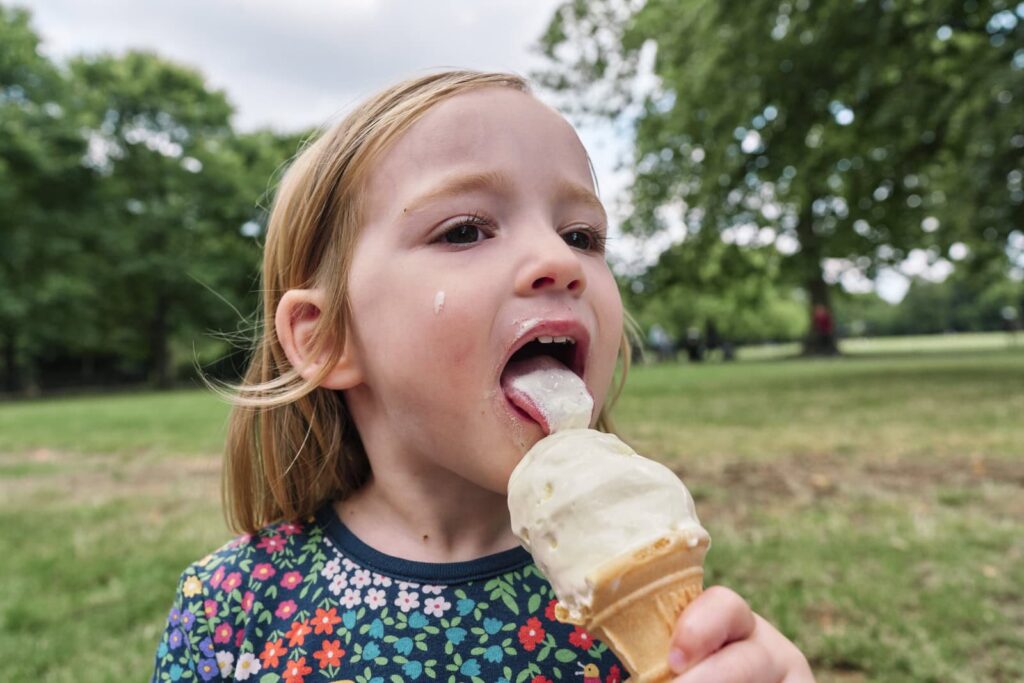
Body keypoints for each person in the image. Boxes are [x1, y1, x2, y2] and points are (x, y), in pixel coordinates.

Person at [151, 71, 814, 683]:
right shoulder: (232, 607)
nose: (559, 259)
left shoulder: (623, 584)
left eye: (582, 234)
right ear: (327, 338)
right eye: (466, 230)